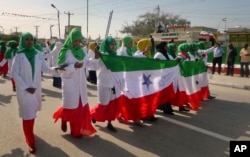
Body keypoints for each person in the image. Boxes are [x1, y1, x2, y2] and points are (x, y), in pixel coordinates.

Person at [12, 32, 60, 154]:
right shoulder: (18, 55)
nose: (29, 42)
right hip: (25, 91)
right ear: (23, 41)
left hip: (36, 90)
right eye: (27, 39)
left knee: (31, 114)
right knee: (27, 115)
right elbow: (14, 73)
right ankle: (30, 141)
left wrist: (58, 69)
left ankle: (29, 134)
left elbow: (46, 69)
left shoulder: (38, 54)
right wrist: (26, 87)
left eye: (31, 39)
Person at [53, 28, 96, 137]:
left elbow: (86, 63)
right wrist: (74, 66)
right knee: (71, 106)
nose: (77, 43)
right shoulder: (64, 51)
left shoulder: (82, 51)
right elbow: (60, 68)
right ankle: (64, 119)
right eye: (74, 41)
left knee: (80, 108)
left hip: (81, 84)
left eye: (78, 40)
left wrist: (96, 59)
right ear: (70, 39)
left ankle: (76, 130)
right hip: (70, 83)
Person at [90, 37, 120, 132]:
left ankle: (109, 123)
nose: (113, 46)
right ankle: (93, 115)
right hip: (103, 83)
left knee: (112, 105)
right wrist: (96, 56)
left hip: (113, 84)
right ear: (106, 45)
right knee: (103, 104)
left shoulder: (116, 56)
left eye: (114, 44)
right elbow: (94, 66)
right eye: (111, 44)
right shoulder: (102, 55)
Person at [154, 41, 174, 115]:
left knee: (166, 92)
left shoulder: (167, 54)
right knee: (163, 92)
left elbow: (171, 62)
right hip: (161, 76)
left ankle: (166, 107)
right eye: (166, 46)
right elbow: (155, 63)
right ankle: (165, 108)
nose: (167, 47)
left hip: (167, 76)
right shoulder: (158, 54)